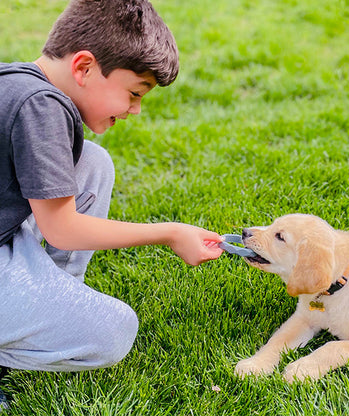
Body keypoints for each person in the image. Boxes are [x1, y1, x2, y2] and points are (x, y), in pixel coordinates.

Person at [0, 0, 223, 378]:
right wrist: (169, 233)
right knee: (114, 331)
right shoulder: (41, 106)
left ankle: (54, 298)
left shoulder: (17, 82)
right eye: (135, 93)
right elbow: (63, 229)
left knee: (92, 162)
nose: (135, 110)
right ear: (84, 67)